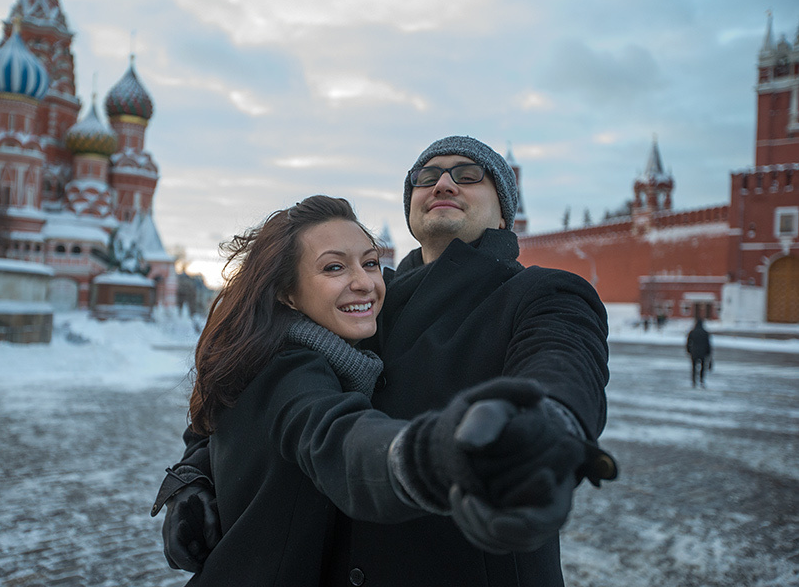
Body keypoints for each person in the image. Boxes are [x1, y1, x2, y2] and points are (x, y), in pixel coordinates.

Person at [154, 137, 617, 586]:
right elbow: (268, 396)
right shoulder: (367, 304)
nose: (443, 184)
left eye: (468, 175)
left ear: (504, 214)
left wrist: (544, 427)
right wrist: (196, 475)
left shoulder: (542, 293)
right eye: (426, 176)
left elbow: (564, 361)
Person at [686, 317, 712, 388]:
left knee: (694, 367)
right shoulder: (705, 333)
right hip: (703, 353)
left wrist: (689, 350)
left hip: (694, 352)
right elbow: (708, 344)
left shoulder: (692, 332)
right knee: (703, 367)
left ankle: (694, 381)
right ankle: (701, 380)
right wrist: (708, 353)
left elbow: (688, 343)